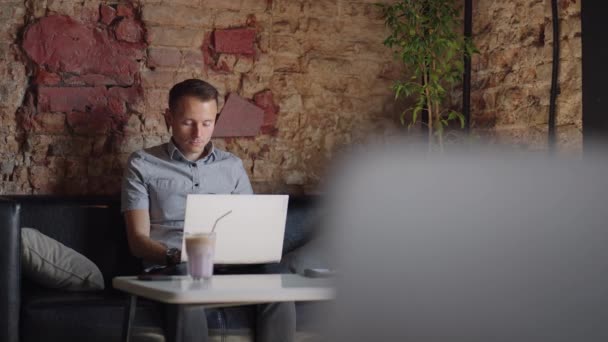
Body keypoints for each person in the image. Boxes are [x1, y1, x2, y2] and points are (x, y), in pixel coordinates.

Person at [121, 79, 295, 342]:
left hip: (229, 264)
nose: (198, 134)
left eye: (207, 123)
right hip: (172, 266)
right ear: (169, 118)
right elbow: (138, 241)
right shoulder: (142, 164)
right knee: (186, 286)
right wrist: (177, 255)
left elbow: (248, 228)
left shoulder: (232, 166)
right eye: (188, 122)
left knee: (277, 282)